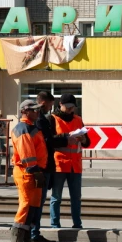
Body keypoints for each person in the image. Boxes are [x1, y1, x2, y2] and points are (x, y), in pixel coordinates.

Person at [32, 91, 78, 242]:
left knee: (39, 201)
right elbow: (47, 140)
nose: (50, 108)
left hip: (62, 165)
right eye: (50, 105)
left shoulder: (41, 120)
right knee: (39, 201)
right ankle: (33, 233)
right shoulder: (43, 120)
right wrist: (66, 138)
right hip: (49, 165)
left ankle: (34, 233)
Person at [8, 100, 47, 242]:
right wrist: (35, 171)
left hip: (33, 172)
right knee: (25, 205)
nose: (38, 112)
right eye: (35, 110)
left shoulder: (31, 127)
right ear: (25, 111)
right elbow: (27, 154)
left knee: (33, 207)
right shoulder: (23, 128)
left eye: (38, 110)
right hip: (27, 172)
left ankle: (25, 241)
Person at [49, 93, 90, 229]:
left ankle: (77, 224)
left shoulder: (78, 119)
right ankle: (55, 224)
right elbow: (50, 140)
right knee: (56, 197)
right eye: (68, 107)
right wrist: (66, 137)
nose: (71, 110)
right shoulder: (52, 119)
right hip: (59, 164)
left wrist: (84, 140)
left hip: (75, 165)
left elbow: (87, 141)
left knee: (76, 198)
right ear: (60, 105)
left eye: (73, 107)